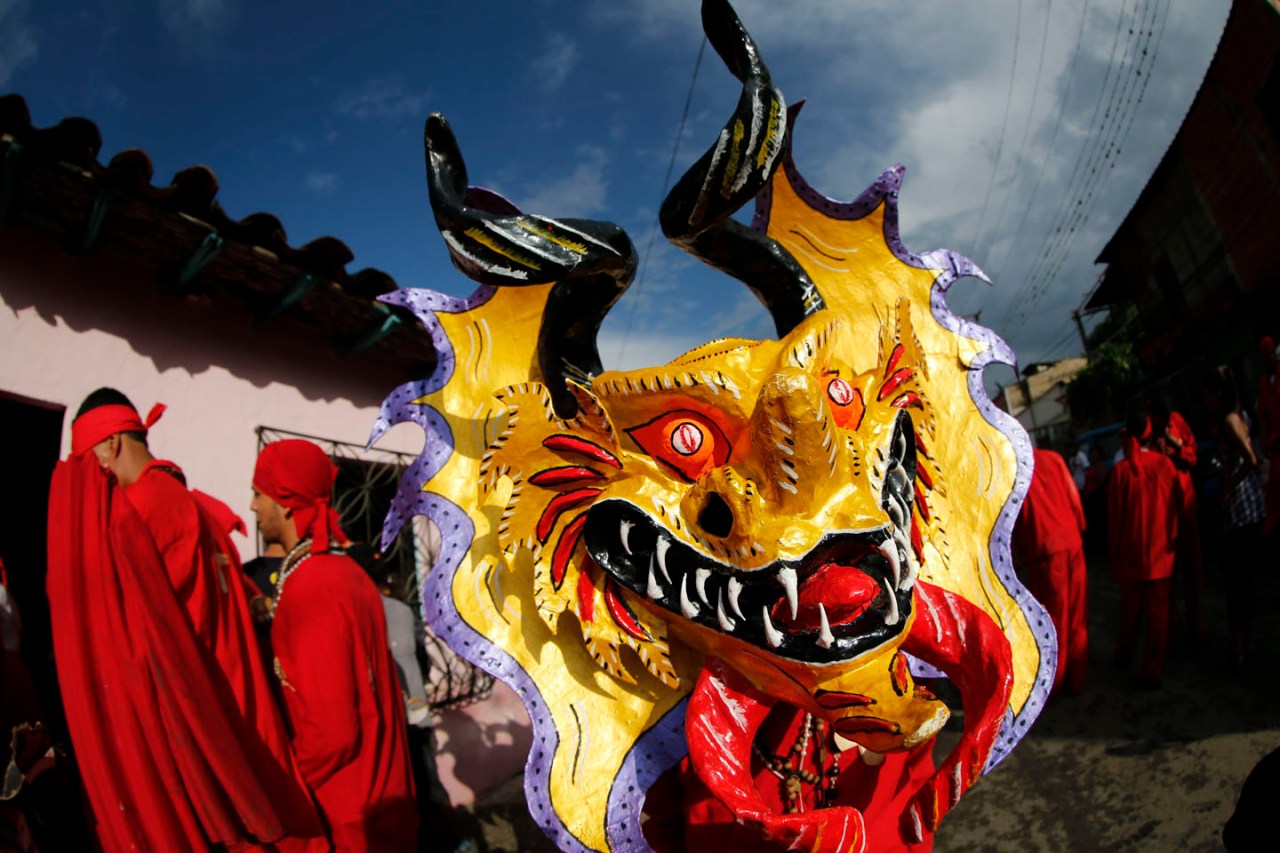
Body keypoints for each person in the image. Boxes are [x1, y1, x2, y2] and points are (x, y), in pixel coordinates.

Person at [46, 388, 324, 850]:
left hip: (198, 729)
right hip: (243, 710)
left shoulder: (136, 510)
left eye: (88, 457)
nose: (93, 474)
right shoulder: (194, 504)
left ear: (110, 444)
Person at [251, 439, 418, 850]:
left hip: (346, 815)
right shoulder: (344, 572)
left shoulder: (313, 585)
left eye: (259, 494)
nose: (254, 506)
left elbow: (333, 733)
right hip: (377, 802)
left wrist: (278, 787)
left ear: (285, 502)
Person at [1108, 409, 1185, 688]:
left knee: (1130, 612)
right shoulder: (1165, 465)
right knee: (1158, 617)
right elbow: (1180, 505)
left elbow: (1114, 520)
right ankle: (1153, 668)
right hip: (1161, 554)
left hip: (1131, 557)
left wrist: (1114, 556)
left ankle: (1124, 654)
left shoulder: (1121, 471)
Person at [1012, 447, 1088, 694]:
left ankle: (1053, 684)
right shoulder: (1054, 458)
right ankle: (1077, 679)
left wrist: (1018, 556)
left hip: (1044, 549)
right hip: (1071, 541)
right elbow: (1073, 497)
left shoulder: (1014, 467)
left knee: (1051, 622)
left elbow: (1014, 516)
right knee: (1076, 614)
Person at [1204, 368, 1266, 668]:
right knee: (1242, 581)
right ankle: (1245, 642)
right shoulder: (1237, 415)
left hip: (1240, 510)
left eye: (1206, 396)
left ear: (1217, 394)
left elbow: (1251, 459)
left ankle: (1239, 648)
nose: (1205, 403)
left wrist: (1229, 484)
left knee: (1236, 582)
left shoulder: (1230, 419)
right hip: (1250, 506)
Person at [1150, 397, 1203, 641]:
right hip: (1164, 513)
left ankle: (1194, 625)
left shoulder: (1177, 422)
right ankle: (1168, 628)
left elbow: (1192, 456)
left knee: (1192, 570)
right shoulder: (1151, 434)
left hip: (1185, 507)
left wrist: (1176, 445)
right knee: (1166, 576)